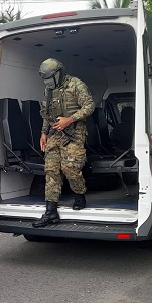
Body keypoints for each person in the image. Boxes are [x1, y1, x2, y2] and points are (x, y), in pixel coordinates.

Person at [35, 58, 94, 228]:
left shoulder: (75, 84)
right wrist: (43, 132)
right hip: (55, 132)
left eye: (49, 78)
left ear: (58, 73)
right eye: (45, 80)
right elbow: (46, 114)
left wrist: (70, 120)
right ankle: (50, 212)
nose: (47, 83)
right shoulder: (48, 90)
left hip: (74, 133)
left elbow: (89, 106)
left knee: (70, 168)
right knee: (51, 170)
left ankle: (80, 194)